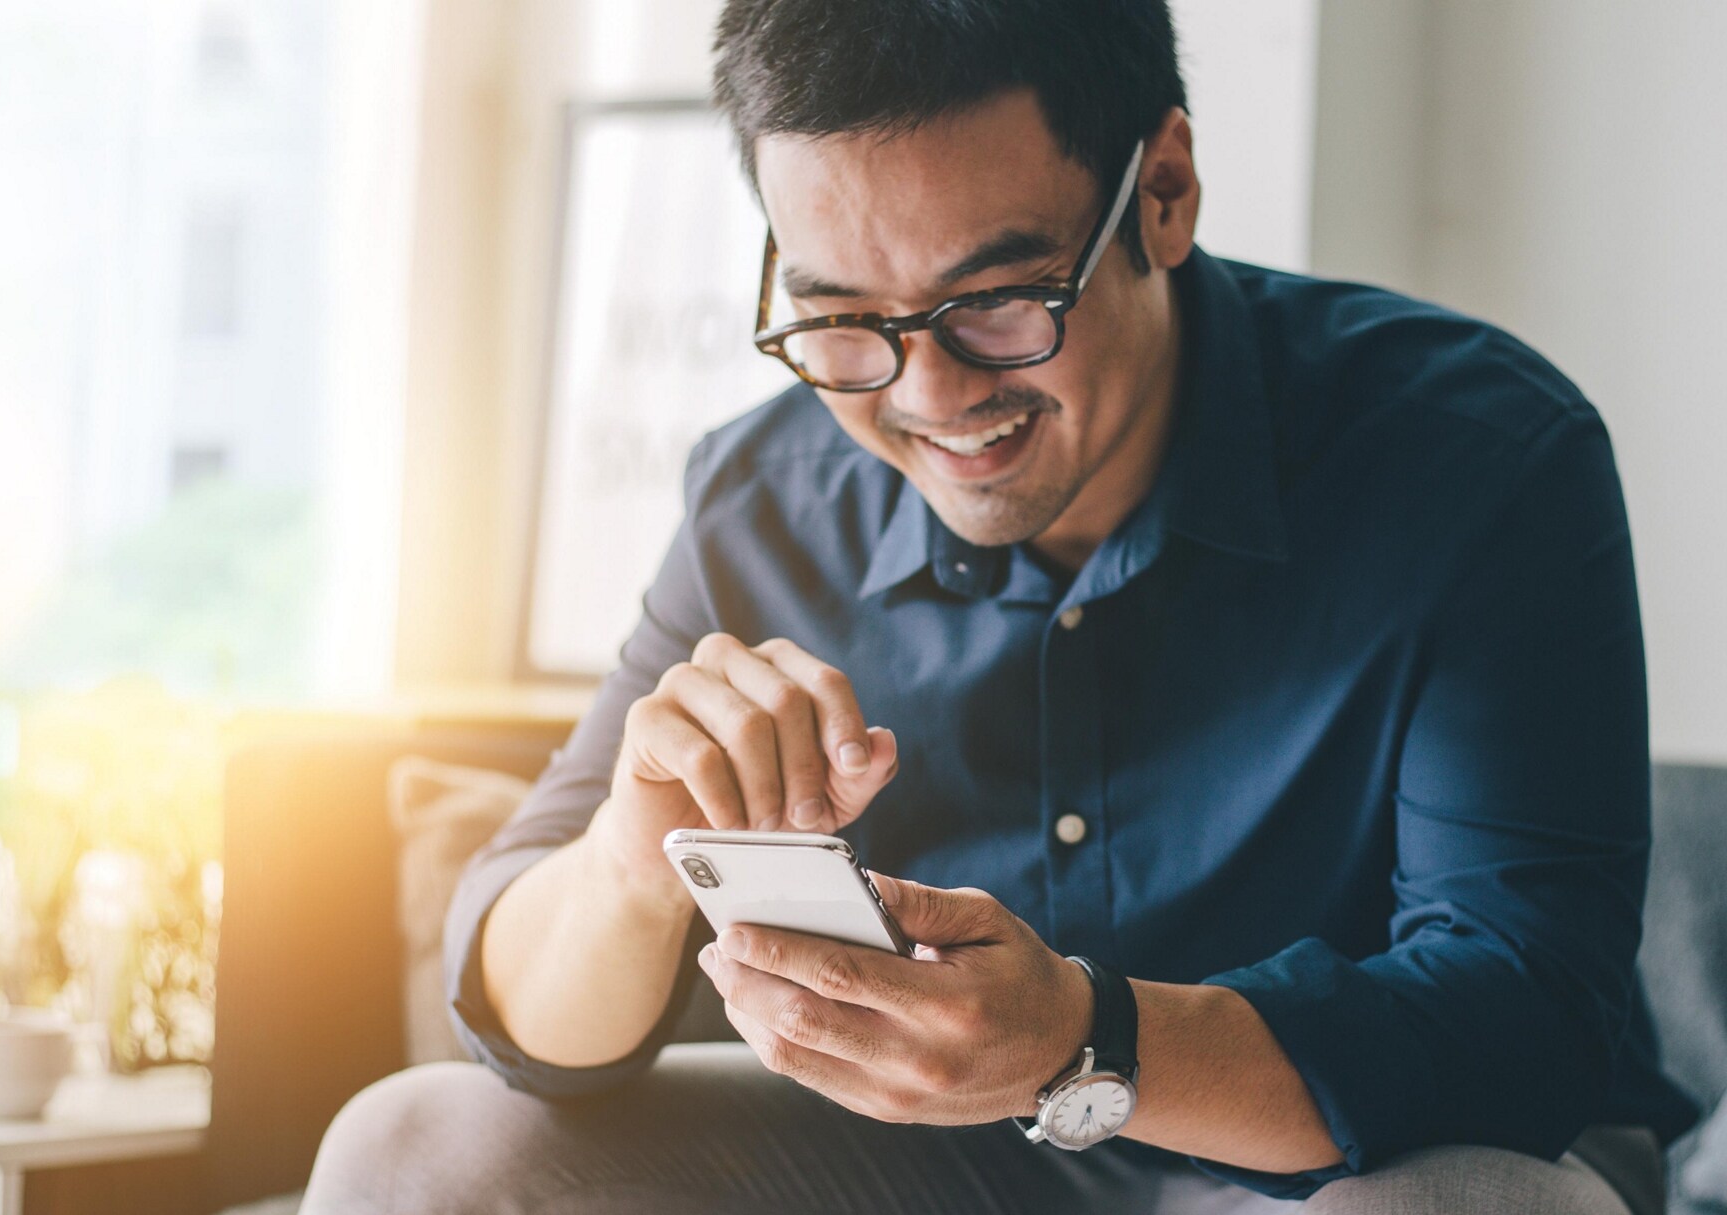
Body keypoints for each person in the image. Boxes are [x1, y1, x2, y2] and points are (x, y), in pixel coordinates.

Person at [302, 1, 1701, 1210]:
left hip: (1365, 1165)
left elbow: (1527, 1016)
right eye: (839, 315)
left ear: (1163, 192)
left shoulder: (1477, 455)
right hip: (945, 1169)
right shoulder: (762, 497)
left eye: (999, 300)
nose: (927, 396)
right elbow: (522, 1020)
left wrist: (1086, 1044)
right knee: (417, 1150)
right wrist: (626, 861)